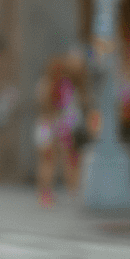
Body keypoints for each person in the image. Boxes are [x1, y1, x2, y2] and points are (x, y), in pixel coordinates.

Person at [33, 54, 84, 207]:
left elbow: (40, 104)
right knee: (63, 160)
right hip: (57, 126)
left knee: (45, 162)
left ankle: (44, 194)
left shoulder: (43, 83)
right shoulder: (64, 86)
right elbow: (68, 109)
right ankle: (71, 191)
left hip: (43, 126)